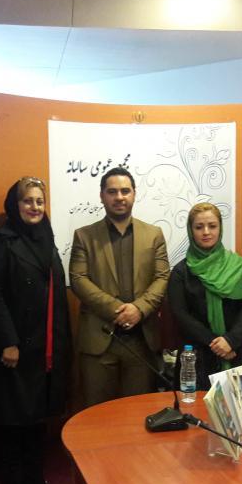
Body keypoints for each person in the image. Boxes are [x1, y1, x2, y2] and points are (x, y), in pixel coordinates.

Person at [0, 177, 70, 484]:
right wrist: (8, 340)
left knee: (37, 419)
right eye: (27, 201)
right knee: (12, 420)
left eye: (39, 201)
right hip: (15, 346)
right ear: (14, 205)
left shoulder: (47, 238)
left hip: (44, 347)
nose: (34, 207)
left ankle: (36, 481)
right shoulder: (1, 241)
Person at [69, 167, 170, 406]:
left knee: (139, 414)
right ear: (102, 196)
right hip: (99, 341)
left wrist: (138, 309)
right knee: (96, 414)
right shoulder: (84, 236)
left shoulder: (154, 234)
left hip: (141, 341)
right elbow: (78, 279)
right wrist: (119, 310)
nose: (119, 197)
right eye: (112, 191)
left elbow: (162, 277)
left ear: (134, 194)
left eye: (125, 191)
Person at [167, 202, 242, 389]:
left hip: (235, 353)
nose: (206, 232)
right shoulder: (181, 272)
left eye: (212, 226)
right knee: (194, 407)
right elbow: (180, 314)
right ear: (191, 231)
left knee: (239, 407)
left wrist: (231, 341)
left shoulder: (239, 267)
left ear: (220, 228)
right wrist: (216, 344)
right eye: (199, 227)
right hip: (196, 358)